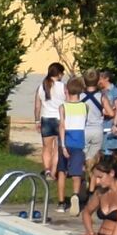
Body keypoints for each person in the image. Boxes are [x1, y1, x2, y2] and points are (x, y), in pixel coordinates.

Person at [33, 61, 68, 189]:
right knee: (57, 149)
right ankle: (53, 172)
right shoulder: (63, 87)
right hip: (60, 119)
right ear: (59, 74)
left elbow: (37, 106)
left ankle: (47, 170)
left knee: (46, 148)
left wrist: (37, 121)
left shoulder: (41, 86)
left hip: (46, 118)